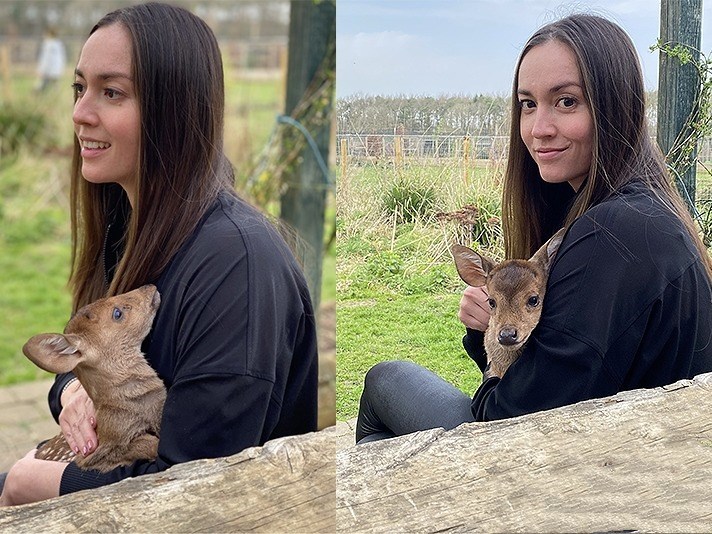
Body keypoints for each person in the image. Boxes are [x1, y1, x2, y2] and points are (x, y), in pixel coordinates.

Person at [0, 2, 318, 505]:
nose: (81, 112)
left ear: (175, 108)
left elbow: (198, 484)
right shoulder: (129, 222)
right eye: (80, 88)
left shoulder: (238, 267)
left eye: (112, 92)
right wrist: (72, 392)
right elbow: (86, 351)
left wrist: (43, 484)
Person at [355, 13, 712, 444]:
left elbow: (509, 419)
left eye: (566, 101)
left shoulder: (616, 235)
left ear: (618, 106)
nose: (538, 129)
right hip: (627, 448)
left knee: (384, 381)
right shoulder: (649, 212)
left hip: (591, 474)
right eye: (528, 104)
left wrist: (485, 345)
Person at [36, 27, 66, 92]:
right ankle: (56, 94)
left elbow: (46, 58)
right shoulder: (59, 44)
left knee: (43, 83)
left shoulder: (48, 44)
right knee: (54, 83)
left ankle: (37, 93)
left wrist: (42, 69)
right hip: (56, 68)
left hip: (48, 69)